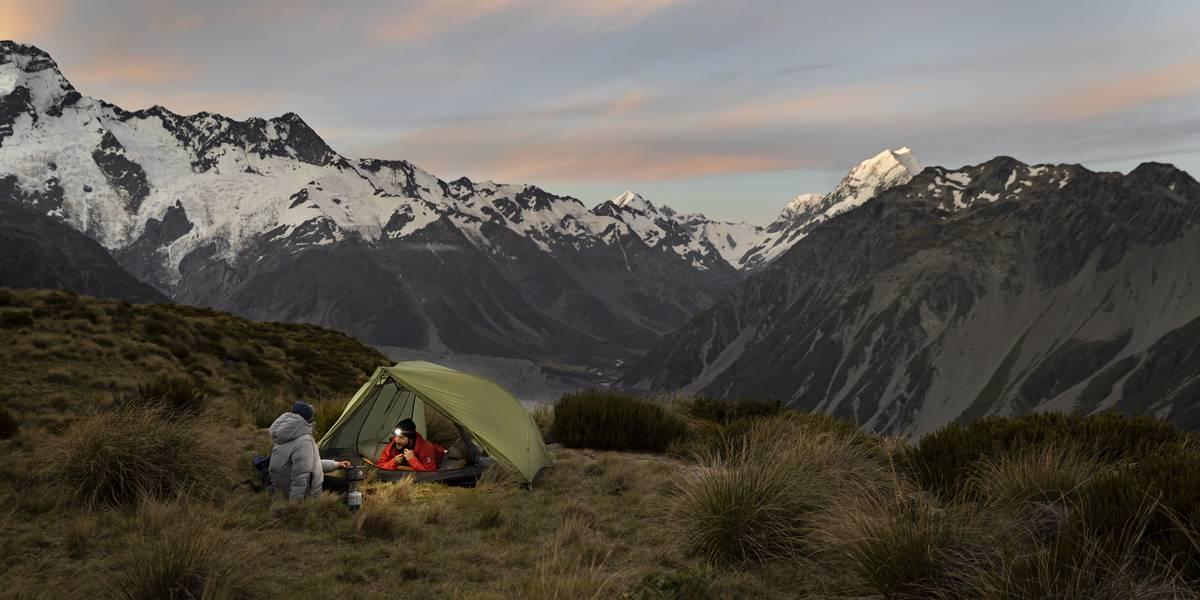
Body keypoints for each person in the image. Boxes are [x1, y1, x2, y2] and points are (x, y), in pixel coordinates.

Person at [269, 401, 351, 500]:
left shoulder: (285, 434)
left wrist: (336, 465)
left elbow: (308, 465)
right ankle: (339, 512)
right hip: (305, 492)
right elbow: (300, 477)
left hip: (282, 488)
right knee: (343, 485)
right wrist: (296, 507)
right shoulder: (304, 441)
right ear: (309, 420)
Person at [376, 418, 445, 471]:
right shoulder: (392, 446)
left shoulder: (426, 448)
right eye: (396, 436)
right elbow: (379, 467)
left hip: (440, 456)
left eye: (401, 437)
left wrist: (412, 460)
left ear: (411, 439)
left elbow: (430, 474)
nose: (396, 440)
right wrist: (393, 462)